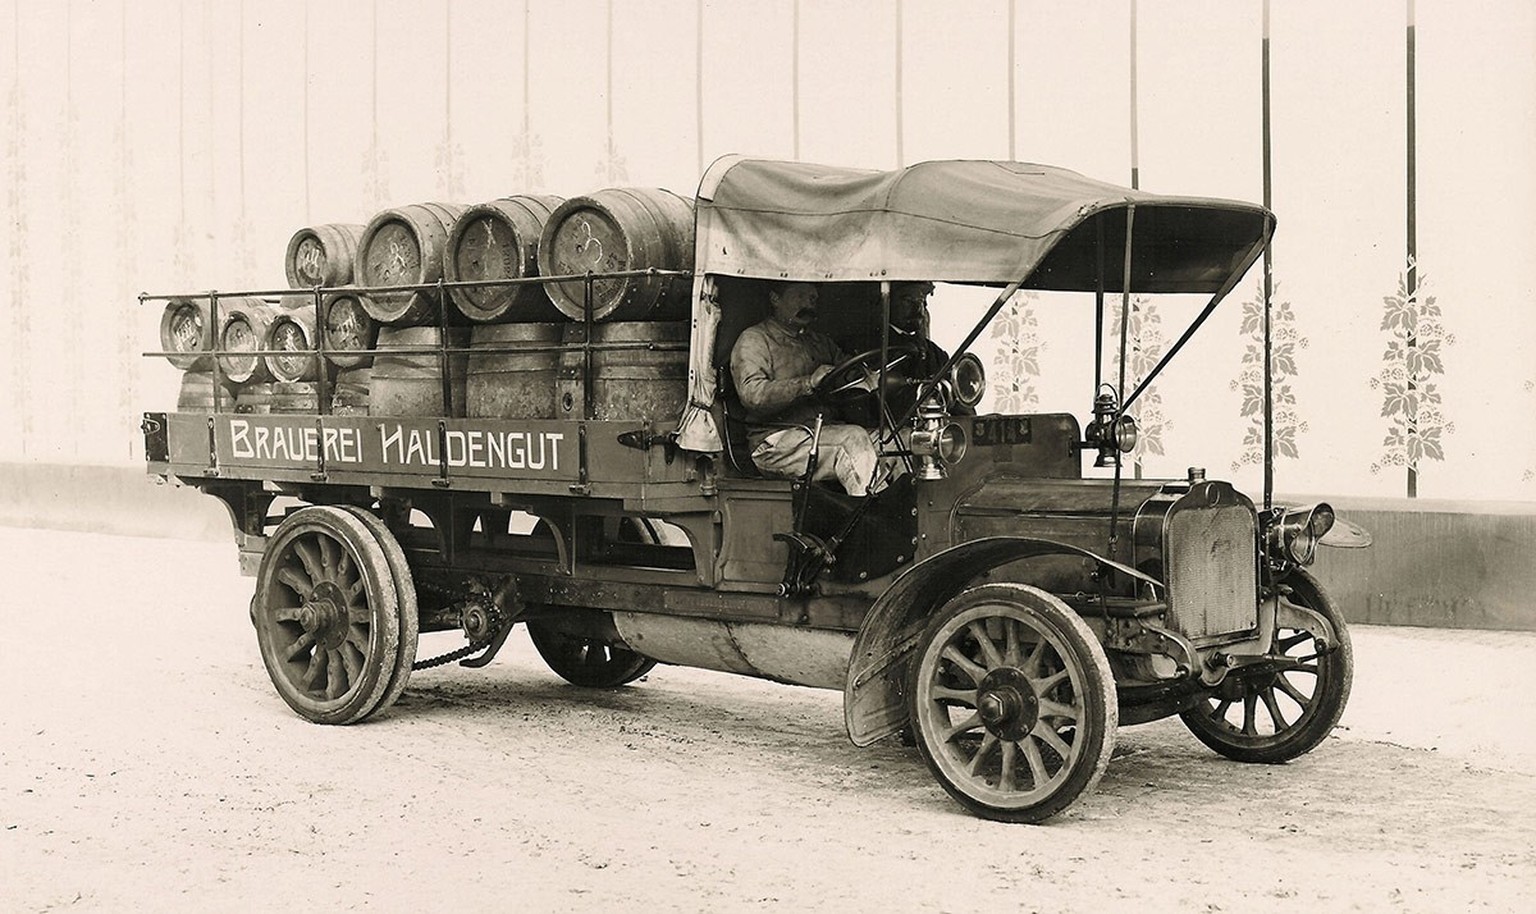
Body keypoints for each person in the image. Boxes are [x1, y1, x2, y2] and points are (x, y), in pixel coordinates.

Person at [729, 282, 891, 497]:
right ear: (775, 299)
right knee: (852, 439)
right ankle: (871, 524)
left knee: (901, 439)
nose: (808, 304)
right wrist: (807, 383)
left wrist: (870, 376)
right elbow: (753, 396)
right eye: (800, 296)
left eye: (813, 298)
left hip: (821, 434)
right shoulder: (754, 339)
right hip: (774, 443)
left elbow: (850, 371)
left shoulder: (820, 342)